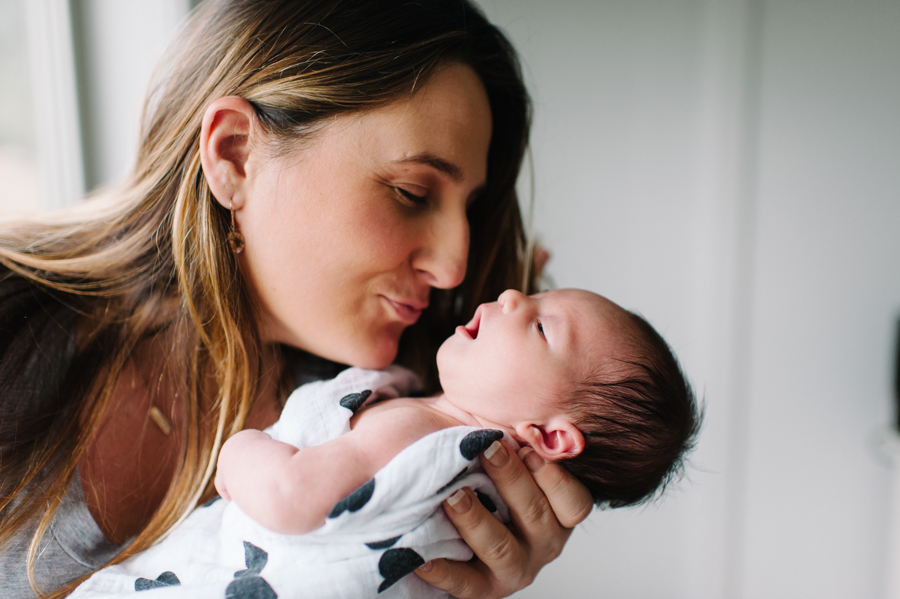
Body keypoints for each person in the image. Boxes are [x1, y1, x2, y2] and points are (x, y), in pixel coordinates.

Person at [0, 1, 596, 598]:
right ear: (234, 154)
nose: (453, 268)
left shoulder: (390, 430)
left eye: (469, 210)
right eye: (412, 192)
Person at [67, 288, 700, 598]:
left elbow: (291, 496)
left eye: (538, 323)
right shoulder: (458, 464)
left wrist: (237, 454)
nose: (509, 294)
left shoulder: (419, 431)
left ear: (551, 436)